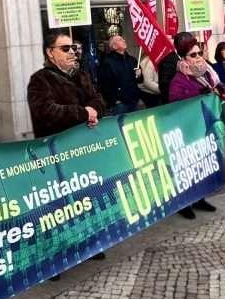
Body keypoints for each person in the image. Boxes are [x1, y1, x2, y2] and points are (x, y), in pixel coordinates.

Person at [27, 30, 107, 279]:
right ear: (50, 53)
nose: (72, 52)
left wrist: (94, 110)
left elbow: (99, 100)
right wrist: (84, 113)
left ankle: (87, 243)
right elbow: (46, 112)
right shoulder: (39, 80)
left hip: (82, 152)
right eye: (65, 48)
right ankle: (54, 258)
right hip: (55, 155)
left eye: (73, 47)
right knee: (57, 209)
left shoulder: (82, 76)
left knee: (84, 199)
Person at [168, 32, 225, 219]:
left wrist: (220, 90)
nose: (198, 57)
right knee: (187, 168)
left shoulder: (208, 74)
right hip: (187, 129)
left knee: (202, 165)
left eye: (199, 53)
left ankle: (200, 198)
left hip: (203, 128)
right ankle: (183, 203)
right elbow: (176, 101)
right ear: (184, 59)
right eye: (193, 55)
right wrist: (200, 93)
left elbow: (220, 88)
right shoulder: (179, 79)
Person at [100, 35, 141, 114]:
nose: (124, 40)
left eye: (123, 39)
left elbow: (140, 80)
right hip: (120, 105)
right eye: (120, 39)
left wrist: (139, 75)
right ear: (114, 46)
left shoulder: (132, 60)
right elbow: (105, 85)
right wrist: (115, 100)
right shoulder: (107, 63)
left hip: (135, 101)